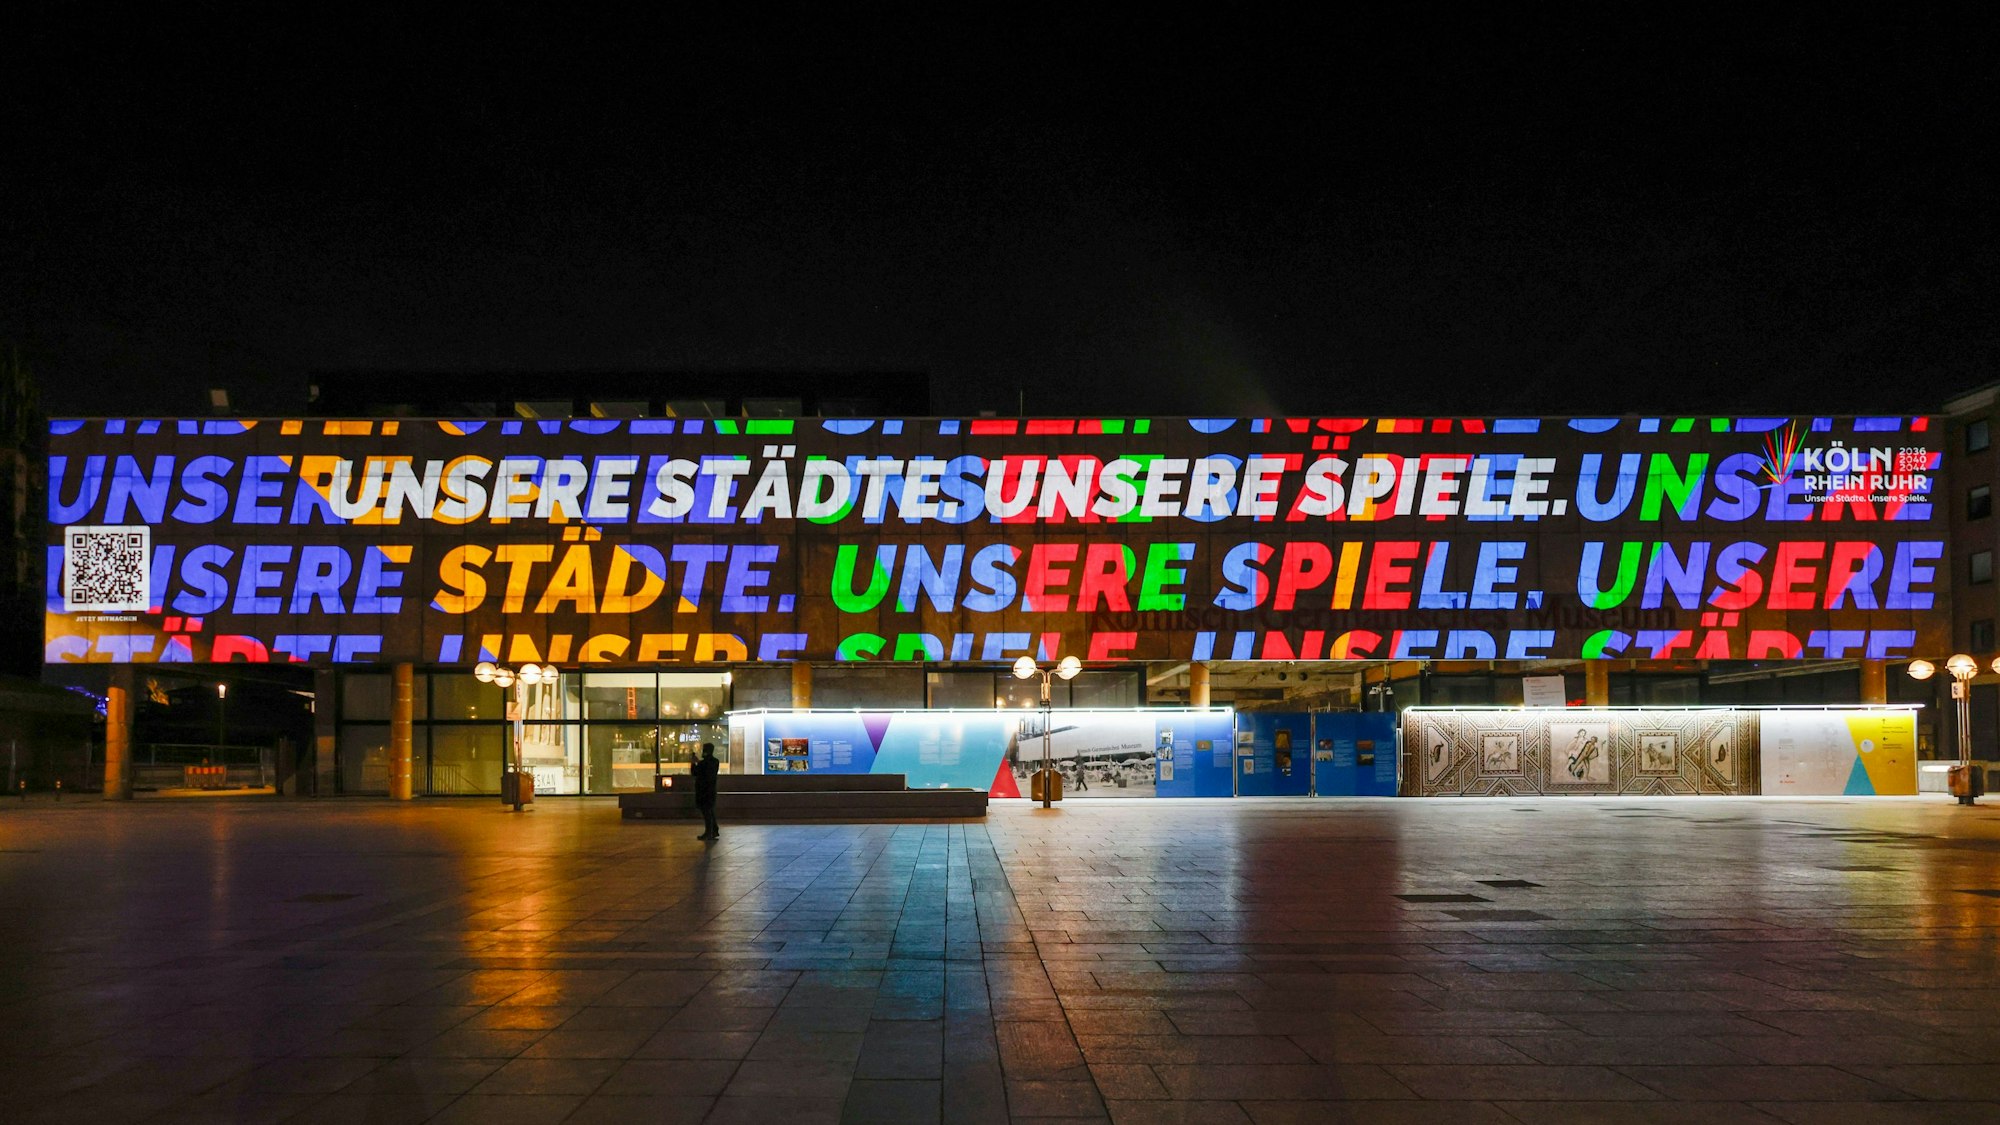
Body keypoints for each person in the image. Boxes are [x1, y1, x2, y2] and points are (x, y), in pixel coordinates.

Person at [693, 742, 720, 840]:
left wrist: (694, 762)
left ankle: (709, 832)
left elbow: (695, 772)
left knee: (706, 812)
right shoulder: (715, 761)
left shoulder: (703, 763)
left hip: (703, 791)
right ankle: (714, 830)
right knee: (709, 811)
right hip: (711, 790)